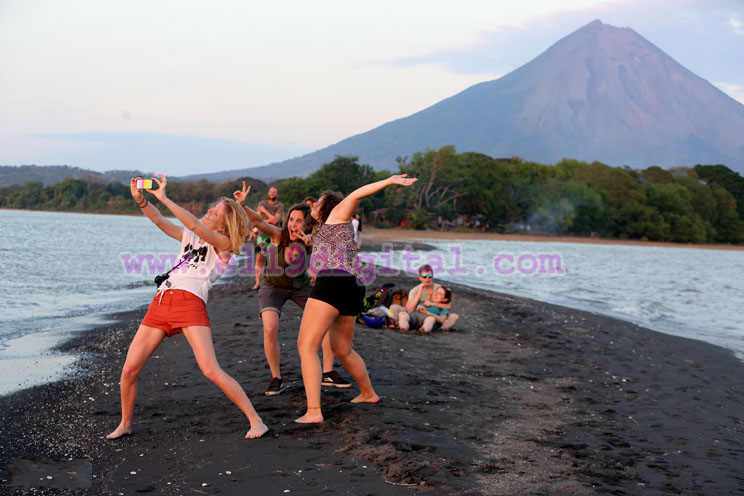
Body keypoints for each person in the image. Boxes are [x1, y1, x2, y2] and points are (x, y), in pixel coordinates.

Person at [107, 175, 269, 440]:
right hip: (162, 301)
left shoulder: (224, 244)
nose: (209, 211)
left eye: (215, 212)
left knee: (210, 369)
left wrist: (165, 197)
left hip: (190, 303)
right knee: (129, 369)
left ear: (225, 224)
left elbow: (193, 222)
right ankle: (125, 423)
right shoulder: (190, 236)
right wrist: (142, 200)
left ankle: (256, 421)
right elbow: (160, 221)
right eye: (212, 208)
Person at [295, 174, 418, 424]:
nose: (314, 206)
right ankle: (368, 393)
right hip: (350, 286)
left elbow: (356, 194)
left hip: (332, 284)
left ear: (329, 205)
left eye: (318, 202)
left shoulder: (339, 213)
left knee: (306, 346)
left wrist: (389, 181)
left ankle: (314, 411)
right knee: (342, 348)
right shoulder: (326, 229)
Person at [232, 182, 350, 396]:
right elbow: (258, 221)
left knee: (326, 320)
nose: (293, 224)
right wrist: (243, 205)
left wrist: (314, 247)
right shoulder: (278, 235)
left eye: (299, 221)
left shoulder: (315, 240)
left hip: (300, 287)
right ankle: (276, 377)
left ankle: (328, 372)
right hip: (272, 286)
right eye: (292, 220)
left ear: (308, 223)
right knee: (270, 327)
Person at [396, 264, 452, 332]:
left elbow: (448, 306)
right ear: (420, 277)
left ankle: (423, 330)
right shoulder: (414, 291)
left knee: (430, 319)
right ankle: (403, 328)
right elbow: (409, 310)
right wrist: (419, 292)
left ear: (433, 276)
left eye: (430, 276)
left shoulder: (439, 289)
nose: (427, 279)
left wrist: (432, 304)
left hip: (430, 316)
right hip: (416, 314)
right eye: (424, 276)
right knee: (403, 314)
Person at [252, 187, 284, 290]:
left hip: (275, 235)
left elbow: (275, 221)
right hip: (262, 235)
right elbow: (257, 218)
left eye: (274, 192)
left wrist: (265, 213)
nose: (272, 193)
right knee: (259, 259)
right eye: (271, 192)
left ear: (277, 194)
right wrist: (266, 220)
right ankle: (257, 283)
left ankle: (274, 282)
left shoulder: (279, 205)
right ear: (268, 193)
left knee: (274, 259)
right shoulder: (262, 203)